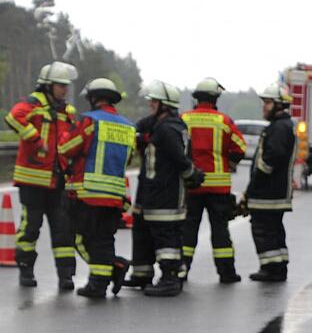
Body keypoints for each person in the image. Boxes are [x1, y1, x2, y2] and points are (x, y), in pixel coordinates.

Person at [122, 80, 203, 297]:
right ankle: (142, 274)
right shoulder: (162, 125)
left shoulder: (168, 130)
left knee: (165, 235)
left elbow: (180, 160)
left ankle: (170, 278)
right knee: (142, 231)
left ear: (165, 105)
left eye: (154, 101)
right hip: (149, 191)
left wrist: (192, 175)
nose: (150, 104)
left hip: (165, 193)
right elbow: (143, 126)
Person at [3, 61, 80, 289]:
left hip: (58, 181)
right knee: (31, 227)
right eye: (61, 85)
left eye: (66, 86)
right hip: (33, 180)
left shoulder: (67, 111)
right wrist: (36, 139)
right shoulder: (33, 104)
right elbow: (13, 117)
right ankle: (26, 271)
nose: (65, 90)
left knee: (63, 230)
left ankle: (66, 276)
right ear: (48, 85)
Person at [57, 78, 136, 298]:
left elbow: (66, 147)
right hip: (115, 194)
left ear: (94, 98)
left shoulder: (90, 121)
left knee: (78, 237)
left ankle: (111, 271)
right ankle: (100, 283)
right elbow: (129, 158)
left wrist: (64, 133)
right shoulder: (129, 127)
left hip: (88, 193)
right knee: (103, 239)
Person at [180, 77, 246, 283]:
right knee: (220, 230)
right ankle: (226, 273)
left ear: (197, 99)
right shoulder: (224, 122)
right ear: (215, 99)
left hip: (191, 185)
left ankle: (181, 270)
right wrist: (229, 162)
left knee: (188, 229)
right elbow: (240, 148)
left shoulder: (184, 119)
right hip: (218, 187)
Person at [244, 84, 296, 282]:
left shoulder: (279, 128)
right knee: (274, 229)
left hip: (268, 192)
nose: (264, 107)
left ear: (279, 105)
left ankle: (270, 268)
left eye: (267, 103)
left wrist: (253, 187)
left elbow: (270, 160)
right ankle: (279, 267)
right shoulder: (282, 126)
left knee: (263, 230)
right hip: (275, 191)